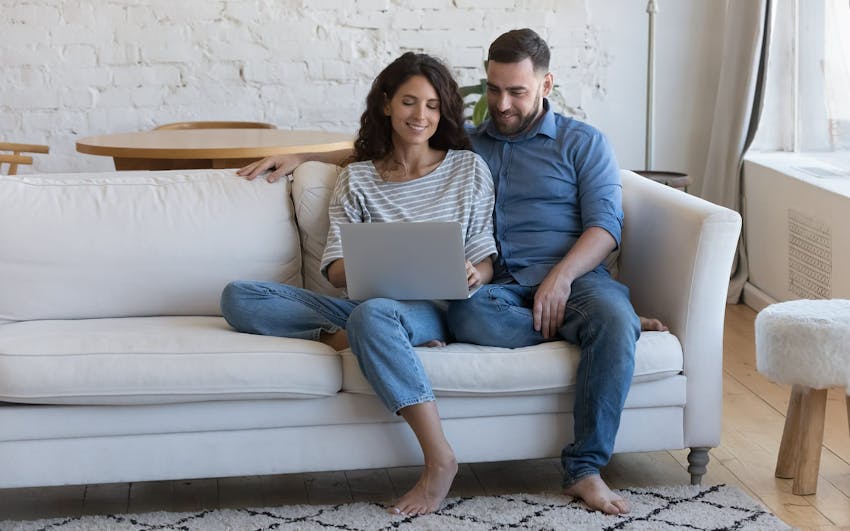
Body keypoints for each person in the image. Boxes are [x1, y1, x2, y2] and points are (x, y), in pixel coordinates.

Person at [238, 30, 666, 516]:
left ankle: (586, 465)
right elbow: (392, 145)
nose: (502, 104)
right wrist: (304, 157)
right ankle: (353, 332)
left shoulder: (581, 143)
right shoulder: (471, 146)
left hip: (573, 279)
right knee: (463, 317)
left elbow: (606, 226)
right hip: (498, 293)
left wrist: (561, 278)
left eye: (517, 92)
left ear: (546, 85)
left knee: (607, 317)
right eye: (494, 90)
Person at [222, 52, 497, 516]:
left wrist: (474, 272)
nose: (421, 116)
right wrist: (378, 258)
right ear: (387, 104)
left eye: (432, 105)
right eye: (410, 102)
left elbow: (485, 257)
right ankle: (360, 339)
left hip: (432, 308)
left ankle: (439, 459)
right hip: (364, 305)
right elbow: (333, 269)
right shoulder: (358, 178)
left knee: (376, 314)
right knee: (240, 297)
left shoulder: (468, 170)